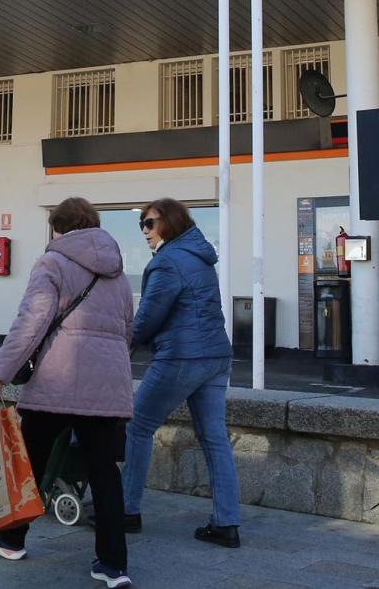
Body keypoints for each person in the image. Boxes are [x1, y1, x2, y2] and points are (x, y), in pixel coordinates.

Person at [0, 197, 136, 589]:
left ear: (58, 228)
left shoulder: (52, 263)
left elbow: (31, 322)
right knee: (105, 473)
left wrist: (0, 372)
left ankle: (10, 539)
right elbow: (128, 331)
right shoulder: (119, 273)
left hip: (57, 383)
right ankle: (113, 566)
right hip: (107, 387)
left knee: (29, 463)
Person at [120, 197, 242, 548]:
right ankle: (226, 523)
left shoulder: (168, 262)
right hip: (217, 356)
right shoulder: (200, 258)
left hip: (182, 357)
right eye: (142, 223)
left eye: (149, 223)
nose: (144, 230)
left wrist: (122, 342)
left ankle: (126, 512)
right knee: (214, 438)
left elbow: (148, 317)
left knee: (138, 426)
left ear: (170, 223)